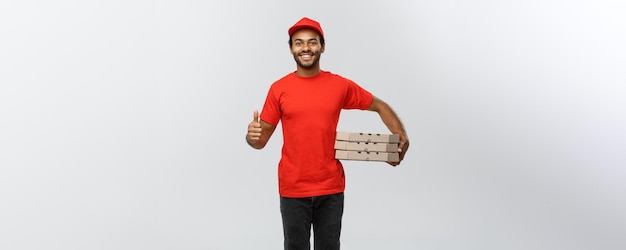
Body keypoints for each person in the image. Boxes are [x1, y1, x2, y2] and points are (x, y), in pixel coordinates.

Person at [245, 17, 409, 250]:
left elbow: (379, 106)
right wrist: (251, 136)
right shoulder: (278, 89)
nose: (306, 48)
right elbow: (260, 141)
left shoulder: (339, 86)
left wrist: (400, 135)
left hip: (331, 188)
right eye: (299, 43)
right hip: (293, 189)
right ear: (291, 48)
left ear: (322, 46)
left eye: (312, 42)